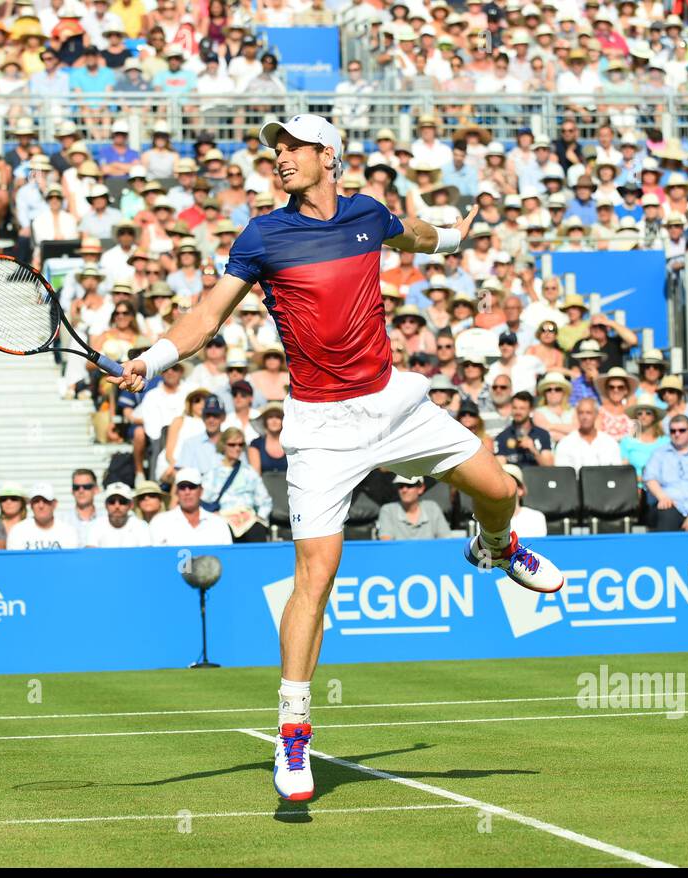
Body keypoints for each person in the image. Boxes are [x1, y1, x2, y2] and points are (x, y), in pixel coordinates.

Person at [107, 115, 564, 801]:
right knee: (315, 575)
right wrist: (154, 356)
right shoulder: (264, 235)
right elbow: (205, 318)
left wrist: (458, 235)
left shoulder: (367, 215)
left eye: (292, 146)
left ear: (329, 155)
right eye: (276, 148)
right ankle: (294, 732)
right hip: (321, 427)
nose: (280, 157)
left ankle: (495, 546)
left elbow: (418, 235)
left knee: (500, 488)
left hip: (395, 403)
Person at [202, 427, 272, 543]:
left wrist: (259, 517)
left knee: (257, 530)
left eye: (240, 444)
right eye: (232, 444)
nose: (237, 448)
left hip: (248, 520)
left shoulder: (250, 473)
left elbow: (265, 501)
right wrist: (214, 516)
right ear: (223, 445)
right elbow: (203, 501)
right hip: (223, 519)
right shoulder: (212, 473)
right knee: (221, 531)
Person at [147, 467, 233, 545]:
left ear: (201, 491)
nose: (187, 492)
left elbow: (228, 558)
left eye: (192, 487)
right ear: (176, 492)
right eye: (182, 487)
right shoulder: (160, 523)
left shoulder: (218, 524)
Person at [552, 398, 622, 472]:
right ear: (577, 415)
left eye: (588, 413)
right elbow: (563, 475)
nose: (584, 417)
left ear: (596, 414)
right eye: (581, 413)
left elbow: (616, 473)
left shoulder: (609, 443)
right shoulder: (565, 444)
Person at [8, 482, 80, 549]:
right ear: (31, 505)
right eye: (36, 501)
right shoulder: (18, 532)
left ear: (54, 504)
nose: (41, 506)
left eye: (46, 501)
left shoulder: (68, 532)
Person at [377, 474, 451, 540]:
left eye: (409, 485)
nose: (404, 490)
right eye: (401, 486)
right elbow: (386, 543)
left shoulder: (432, 508)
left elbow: (446, 540)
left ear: (421, 488)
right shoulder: (388, 510)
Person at [87, 481, 152, 547]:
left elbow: (147, 554)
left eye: (122, 501)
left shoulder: (141, 526)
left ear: (131, 505)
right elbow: (89, 554)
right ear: (105, 505)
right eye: (112, 501)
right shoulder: (96, 525)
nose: (117, 506)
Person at [503, 463, 548, 539]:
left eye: (509, 482)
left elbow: (538, 548)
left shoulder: (536, 518)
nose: (503, 486)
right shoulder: (486, 521)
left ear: (520, 489)